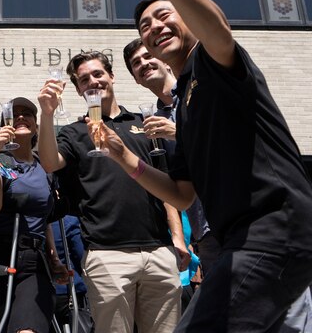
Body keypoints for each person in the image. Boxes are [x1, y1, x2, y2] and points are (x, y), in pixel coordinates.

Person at [97, 0, 312, 331]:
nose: (155, 27)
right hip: (238, 240)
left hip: (272, 227)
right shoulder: (182, 107)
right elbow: (181, 193)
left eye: (165, 15)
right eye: (145, 26)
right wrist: (123, 157)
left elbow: (217, 28)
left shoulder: (213, 64)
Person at [40, 52, 185, 333]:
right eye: (84, 80)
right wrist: (46, 114)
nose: (93, 82)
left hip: (159, 251)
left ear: (112, 76)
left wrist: (177, 238)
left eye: (98, 74)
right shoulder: (73, 133)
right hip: (107, 255)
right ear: (79, 89)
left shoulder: (144, 124)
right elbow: (48, 161)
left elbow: (165, 186)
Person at [0, 95, 67, 333]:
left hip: (33, 261)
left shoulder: (45, 169)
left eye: (27, 113)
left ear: (36, 125)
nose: (21, 117)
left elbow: (45, 218)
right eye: (14, 114)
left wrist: (54, 258)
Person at [123, 38, 214, 275]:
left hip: (241, 216)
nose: (143, 63)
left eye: (148, 56)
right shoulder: (153, 123)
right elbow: (170, 183)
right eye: (136, 63)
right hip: (204, 230)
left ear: (164, 61)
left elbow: (230, 139)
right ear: (135, 78)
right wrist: (178, 237)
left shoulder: (201, 90)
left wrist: (179, 133)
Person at [50, 215, 89, 330]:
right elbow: (81, 256)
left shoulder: (32, 223)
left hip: (44, 290)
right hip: (69, 291)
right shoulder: (67, 221)